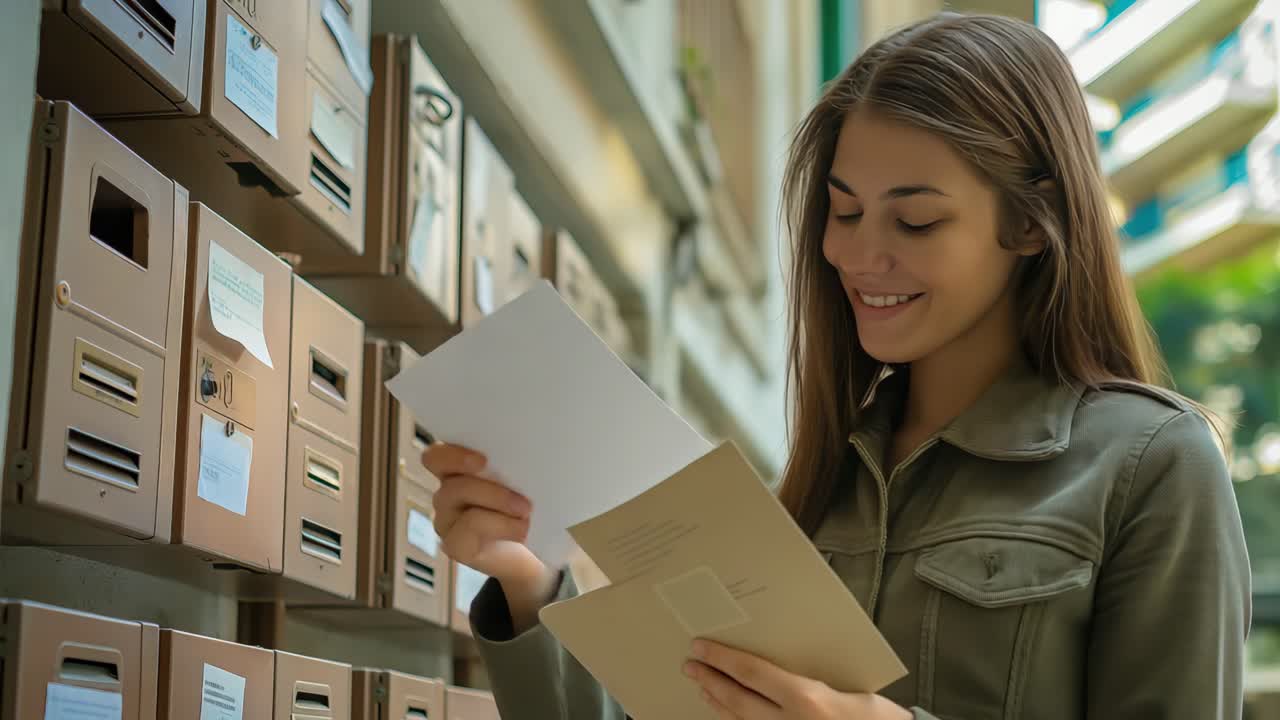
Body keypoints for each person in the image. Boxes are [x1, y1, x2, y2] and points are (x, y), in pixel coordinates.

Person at [423, 12, 1251, 720]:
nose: (857, 254)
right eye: (844, 210)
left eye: (916, 221)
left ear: (1032, 226)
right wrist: (530, 586)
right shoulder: (823, 486)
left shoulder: (1150, 466)